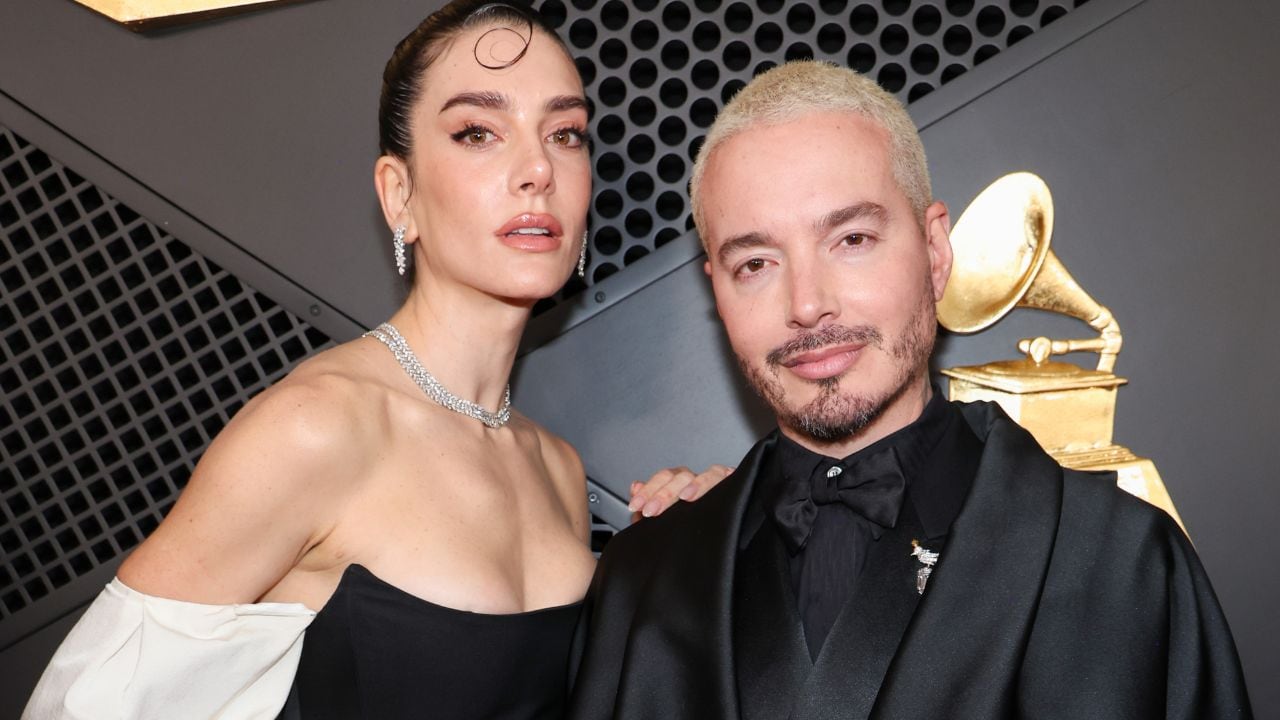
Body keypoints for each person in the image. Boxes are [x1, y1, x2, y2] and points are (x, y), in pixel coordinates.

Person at [21, 3, 727, 719]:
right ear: (400, 195)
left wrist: (690, 547)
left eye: (565, 133)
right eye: (478, 132)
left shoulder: (558, 470)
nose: (538, 168)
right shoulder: (316, 429)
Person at [567, 60, 1253, 719]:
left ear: (935, 250)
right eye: (756, 262)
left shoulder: (1122, 565)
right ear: (715, 286)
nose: (807, 305)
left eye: (853, 239)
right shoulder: (644, 581)